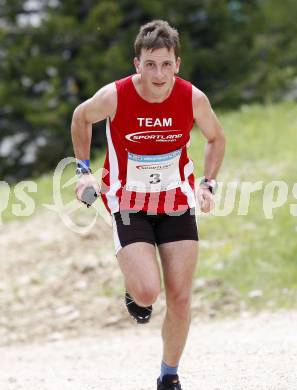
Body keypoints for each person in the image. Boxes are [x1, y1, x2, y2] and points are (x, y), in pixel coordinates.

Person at [71, 19, 225, 390]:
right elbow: (81, 116)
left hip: (176, 203)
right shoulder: (115, 95)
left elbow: (216, 138)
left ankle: (168, 376)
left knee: (181, 297)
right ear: (137, 64)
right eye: (150, 64)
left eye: (166, 64)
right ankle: (134, 286)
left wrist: (208, 184)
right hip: (128, 203)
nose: (159, 73)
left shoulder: (192, 98)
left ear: (178, 64)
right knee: (146, 293)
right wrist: (83, 171)